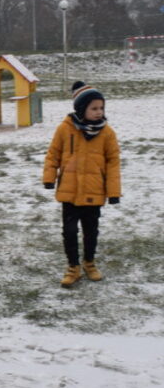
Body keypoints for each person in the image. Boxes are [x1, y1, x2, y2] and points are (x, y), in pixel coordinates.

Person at [43, 81, 121, 288]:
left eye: (101, 108)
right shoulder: (64, 129)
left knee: (91, 231)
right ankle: (73, 267)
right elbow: (53, 154)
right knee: (69, 231)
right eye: (93, 108)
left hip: (94, 192)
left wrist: (114, 192)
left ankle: (89, 262)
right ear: (81, 108)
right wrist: (49, 177)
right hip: (69, 192)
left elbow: (113, 163)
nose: (99, 112)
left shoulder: (107, 133)